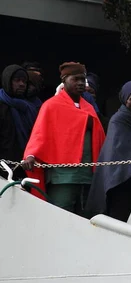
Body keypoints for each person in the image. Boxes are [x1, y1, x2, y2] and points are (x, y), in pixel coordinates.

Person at [22, 62, 105, 216]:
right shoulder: (51, 106)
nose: (80, 83)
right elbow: (39, 135)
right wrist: (31, 155)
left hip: (87, 176)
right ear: (65, 80)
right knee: (59, 217)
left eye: (83, 79)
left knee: (85, 221)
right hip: (62, 177)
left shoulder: (89, 107)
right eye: (76, 79)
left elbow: (99, 138)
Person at [86, 81, 131, 222]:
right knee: (119, 217)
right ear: (125, 99)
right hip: (120, 180)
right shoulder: (118, 120)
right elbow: (121, 149)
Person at [0, 65, 41, 180]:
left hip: (26, 168)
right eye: (17, 80)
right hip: (3, 169)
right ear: (8, 81)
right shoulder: (2, 105)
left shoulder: (30, 108)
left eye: (24, 81)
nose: (22, 84)